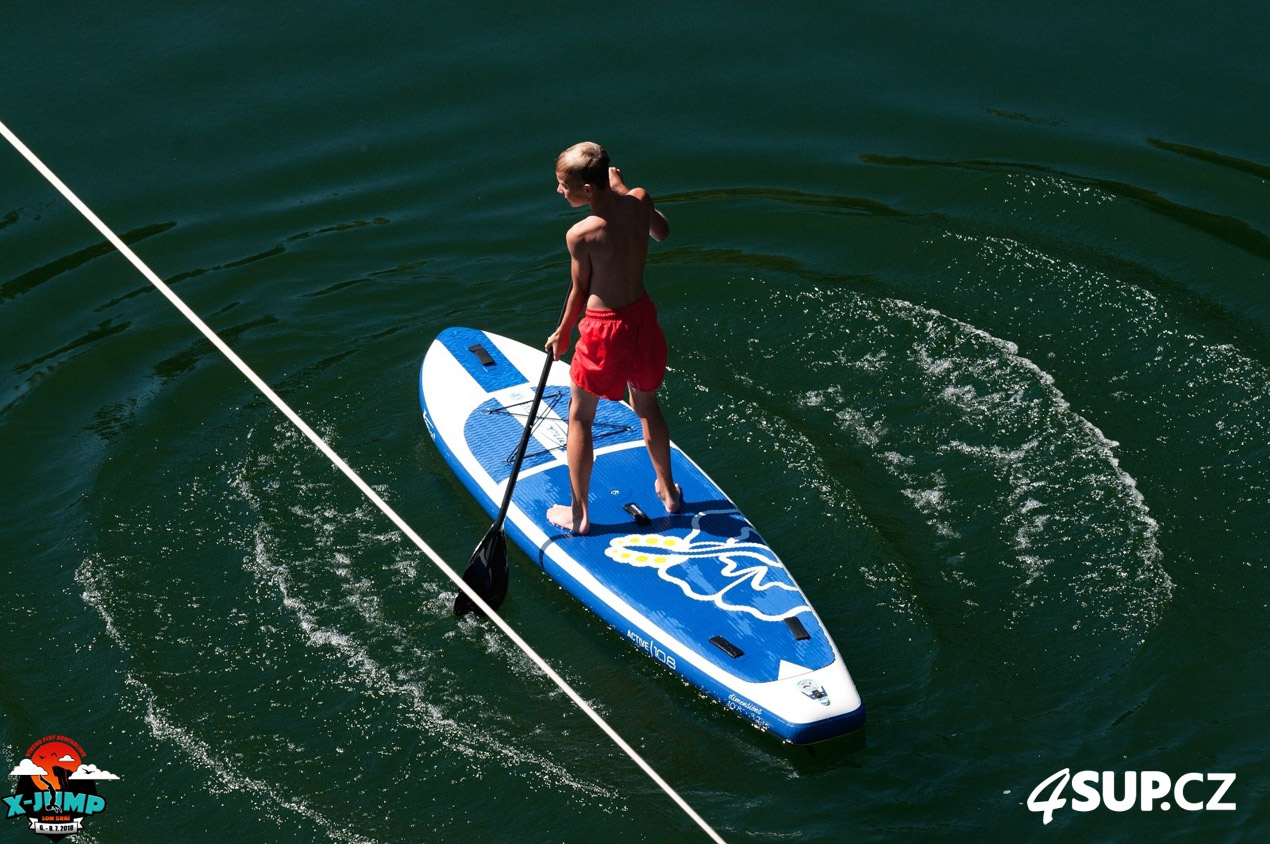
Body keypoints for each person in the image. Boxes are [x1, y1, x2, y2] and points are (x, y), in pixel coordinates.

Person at [545, 142, 678, 535]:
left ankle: (581, 515)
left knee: (580, 417)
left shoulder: (582, 234)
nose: (558, 191)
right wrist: (624, 192)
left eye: (563, 185)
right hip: (642, 321)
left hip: (604, 329)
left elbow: (579, 292)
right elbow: (662, 232)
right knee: (647, 406)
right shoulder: (639, 201)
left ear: (588, 190)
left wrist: (563, 333)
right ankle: (669, 490)